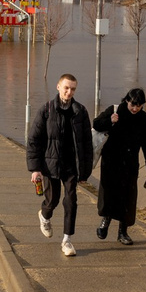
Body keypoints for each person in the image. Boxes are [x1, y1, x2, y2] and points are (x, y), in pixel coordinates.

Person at [28, 74, 95, 257]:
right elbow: (34, 140)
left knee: (71, 201)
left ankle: (67, 240)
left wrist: (85, 171)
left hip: (71, 166)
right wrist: (35, 169)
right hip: (50, 165)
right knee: (52, 200)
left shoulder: (80, 111)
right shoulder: (47, 110)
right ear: (58, 87)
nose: (69, 92)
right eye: (66, 87)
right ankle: (44, 216)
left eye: (73, 89)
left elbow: (87, 144)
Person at [91, 88, 146, 246]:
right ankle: (105, 221)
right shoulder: (115, 110)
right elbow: (96, 124)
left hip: (130, 164)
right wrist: (110, 121)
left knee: (128, 197)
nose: (135, 108)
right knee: (108, 192)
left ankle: (123, 232)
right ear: (126, 101)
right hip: (111, 161)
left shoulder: (143, 119)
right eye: (132, 105)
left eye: (139, 105)